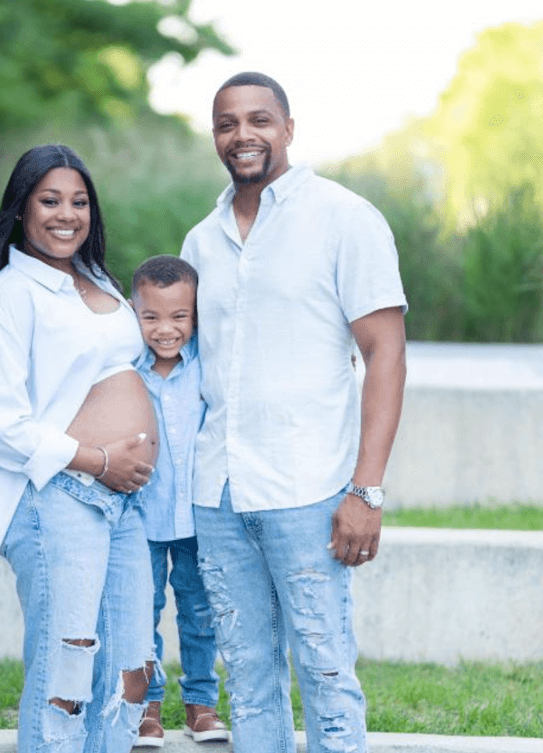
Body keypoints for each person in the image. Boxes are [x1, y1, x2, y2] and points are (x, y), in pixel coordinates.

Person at [180, 72, 408, 753]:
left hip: (308, 488)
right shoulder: (202, 240)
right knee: (247, 678)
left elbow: (386, 356)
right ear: (215, 135)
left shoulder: (345, 218)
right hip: (218, 492)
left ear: (287, 127)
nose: (242, 135)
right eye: (227, 123)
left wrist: (365, 489)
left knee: (326, 669)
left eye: (258, 119)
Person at [0, 144, 161, 753]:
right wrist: (99, 460)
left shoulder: (97, 283)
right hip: (58, 501)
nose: (66, 214)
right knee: (64, 676)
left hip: (124, 504)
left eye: (79, 201)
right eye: (49, 201)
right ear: (20, 210)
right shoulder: (5, 300)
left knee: (129, 671)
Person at [129, 256, 228, 748]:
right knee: (139, 613)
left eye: (179, 317)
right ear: (135, 313)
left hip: (196, 517)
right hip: (140, 517)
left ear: (196, 315)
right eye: (152, 317)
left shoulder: (207, 369)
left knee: (200, 612)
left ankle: (200, 705)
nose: (165, 330)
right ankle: (146, 709)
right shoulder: (126, 373)